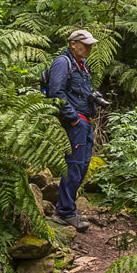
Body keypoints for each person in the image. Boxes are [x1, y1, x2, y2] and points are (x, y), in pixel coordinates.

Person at [44, 29, 104, 231]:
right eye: (85, 44)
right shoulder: (63, 63)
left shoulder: (82, 65)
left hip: (84, 121)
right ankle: (64, 212)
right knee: (75, 165)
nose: (89, 48)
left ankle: (67, 209)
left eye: (90, 45)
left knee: (83, 165)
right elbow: (56, 93)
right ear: (72, 43)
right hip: (76, 122)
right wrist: (73, 119)